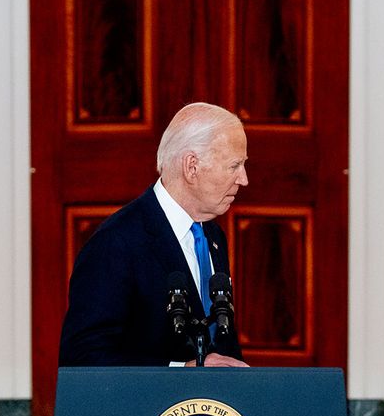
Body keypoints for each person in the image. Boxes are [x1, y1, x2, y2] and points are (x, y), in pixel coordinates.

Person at [58, 103, 251, 368]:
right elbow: (83, 358)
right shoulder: (116, 243)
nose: (244, 179)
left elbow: (220, 346)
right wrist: (179, 370)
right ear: (191, 166)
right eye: (235, 166)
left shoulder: (213, 236)